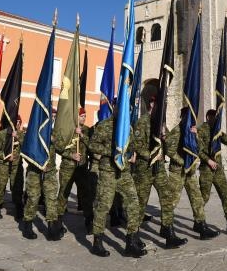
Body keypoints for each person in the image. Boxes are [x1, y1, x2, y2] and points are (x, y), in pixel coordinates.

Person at [88, 115, 146, 258]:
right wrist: (112, 151)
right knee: (103, 206)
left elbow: (132, 145)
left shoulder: (127, 126)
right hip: (108, 171)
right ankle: (97, 242)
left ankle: (131, 241)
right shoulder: (104, 125)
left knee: (133, 203)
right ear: (115, 107)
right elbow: (92, 145)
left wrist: (133, 151)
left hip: (124, 172)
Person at [133, 97, 187, 249]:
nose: (160, 107)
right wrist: (151, 155)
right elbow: (137, 145)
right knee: (141, 203)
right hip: (145, 169)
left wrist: (165, 136)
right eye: (157, 104)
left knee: (167, 197)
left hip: (160, 168)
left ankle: (168, 232)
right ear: (151, 105)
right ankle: (134, 235)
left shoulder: (161, 123)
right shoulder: (142, 122)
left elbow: (169, 144)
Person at [165, 109, 219, 240]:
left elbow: (199, 149)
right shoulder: (176, 131)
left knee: (197, 199)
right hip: (178, 172)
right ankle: (167, 228)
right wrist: (182, 162)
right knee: (172, 201)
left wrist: (196, 136)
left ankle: (201, 225)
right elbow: (169, 151)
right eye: (188, 117)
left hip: (191, 172)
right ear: (183, 117)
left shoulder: (191, 131)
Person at [198, 110, 227, 235]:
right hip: (206, 169)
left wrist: (220, 133)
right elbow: (199, 150)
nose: (213, 119)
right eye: (212, 117)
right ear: (208, 117)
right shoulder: (201, 129)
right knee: (204, 197)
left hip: (218, 170)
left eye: (215, 117)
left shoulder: (217, 130)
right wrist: (208, 161)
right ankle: (199, 222)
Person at [21, 125, 64, 241]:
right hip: (34, 170)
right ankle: (27, 225)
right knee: (33, 198)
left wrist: (54, 140)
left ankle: (52, 229)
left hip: (50, 171)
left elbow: (62, 148)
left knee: (51, 199)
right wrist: (38, 163)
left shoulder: (55, 132)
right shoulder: (33, 131)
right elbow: (26, 152)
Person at [56, 108, 94, 231]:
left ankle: (89, 221)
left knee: (86, 195)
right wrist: (71, 155)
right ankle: (58, 221)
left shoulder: (87, 130)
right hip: (67, 167)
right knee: (63, 194)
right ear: (76, 117)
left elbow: (92, 146)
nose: (83, 118)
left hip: (82, 168)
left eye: (85, 116)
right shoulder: (67, 130)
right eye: (81, 116)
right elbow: (59, 147)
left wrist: (82, 135)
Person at [0, 116, 24, 220]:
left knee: (17, 187)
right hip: (4, 164)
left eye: (19, 122)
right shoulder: (2, 133)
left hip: (17, 165)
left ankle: (19, 209)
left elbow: (27, 146)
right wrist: (5, 156)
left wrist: (18, 137)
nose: (17, 124)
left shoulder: (22, 134)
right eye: (16, 121)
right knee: (0, 186)